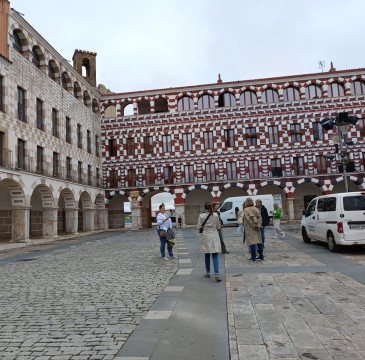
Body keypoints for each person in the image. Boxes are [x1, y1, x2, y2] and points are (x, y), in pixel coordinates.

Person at [197, 202, 222, 282]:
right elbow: (218, 226)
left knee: (207, 254)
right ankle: (216, 274)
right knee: (215, 255)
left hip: (206, 236)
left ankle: (207, 273)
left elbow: (199, 227)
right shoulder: (215, 215)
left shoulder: (201, 216)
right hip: (214, 235)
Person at [242, 197, 264, 262]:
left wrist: (254, 226)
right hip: (257, 227)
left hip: (250, 228)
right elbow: (260, 217)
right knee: (259, 241)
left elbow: (248, 220)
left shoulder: (246, 210)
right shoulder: (256, 208)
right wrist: (259, 226)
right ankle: (261, 256)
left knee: (252, 242)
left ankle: (253, 257)